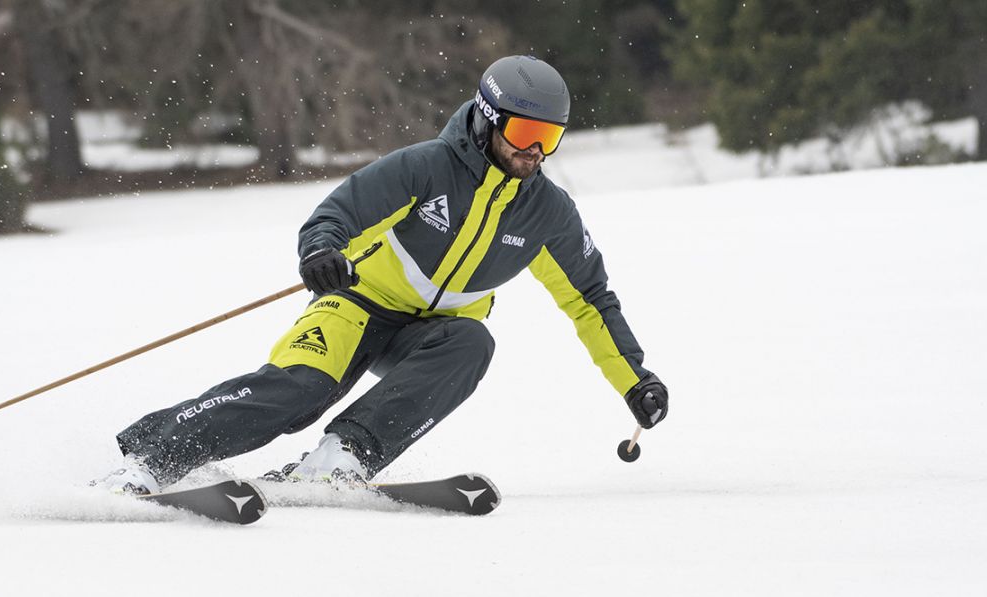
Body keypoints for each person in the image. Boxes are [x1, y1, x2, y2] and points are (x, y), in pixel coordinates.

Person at [95, 55, 669, 495]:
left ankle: (340, 459)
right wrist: (322, 251)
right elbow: (337, 213)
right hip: (357, 307)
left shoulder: (547, 212)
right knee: (300, 389)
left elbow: (591, 299)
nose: (535, 153)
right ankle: (151, 458)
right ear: (489, 121)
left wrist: (634, 381)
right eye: (525, 135)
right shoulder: (426, 167)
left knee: (474, 341)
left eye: (550, 139)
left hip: (434, 334)